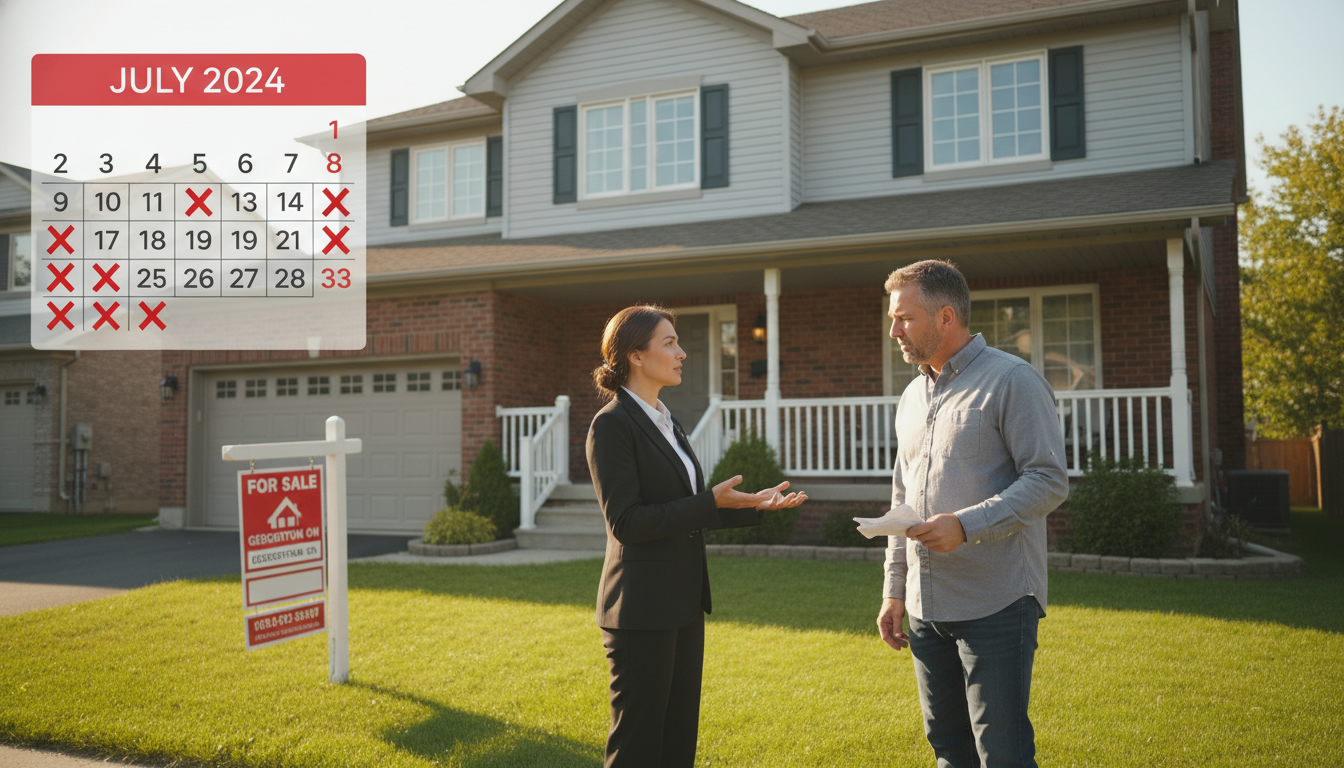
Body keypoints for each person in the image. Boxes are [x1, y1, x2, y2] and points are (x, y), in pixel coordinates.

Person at [586, 305, 806, 768]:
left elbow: (681, 512)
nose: (682, 352)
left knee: (677, 740)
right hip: (641, 610)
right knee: (637, 747)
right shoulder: (611, 425)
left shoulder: (668, 421)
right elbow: (627, 523)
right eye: (669, 343)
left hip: (683, 603)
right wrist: (709, 501)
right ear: (635, 356)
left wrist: (750, 505)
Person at [877, 260, 1069, 767]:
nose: (894, 331)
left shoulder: (1013, 380)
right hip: (924, 606)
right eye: (893, 319)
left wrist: (966, 526)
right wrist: (895, 590)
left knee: (1002, 754)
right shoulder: (912, 395)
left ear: (946, 317)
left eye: (904, 318)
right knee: (948, 750)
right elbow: (902, 495)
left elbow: (1048, 480)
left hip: (997, 602)